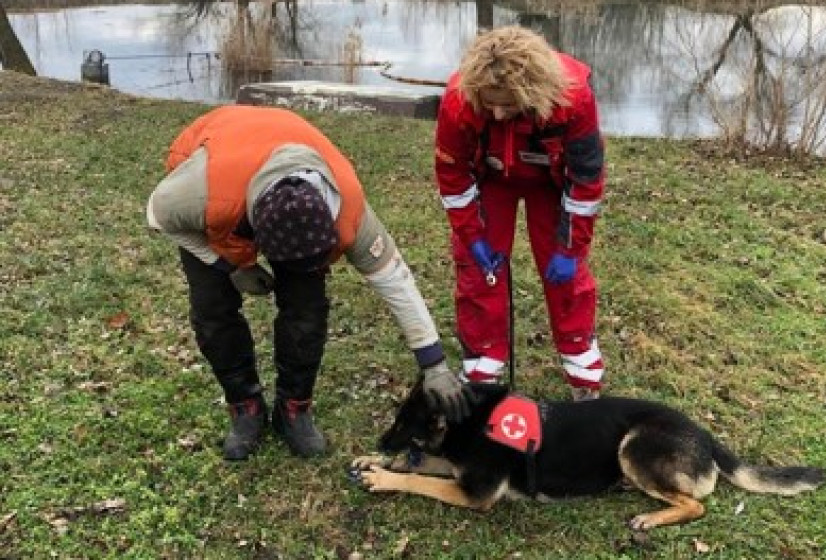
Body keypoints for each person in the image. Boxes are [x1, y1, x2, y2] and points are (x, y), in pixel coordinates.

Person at [147, 105, 470, 460]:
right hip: (218, 162)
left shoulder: (350, 212)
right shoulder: (197, 194)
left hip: (276, 170)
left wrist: (434, 366)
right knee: (212, 310)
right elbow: (158, 216)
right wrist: (227, 265)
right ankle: (245, 407)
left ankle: (293, 410)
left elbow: (396, 283)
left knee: (307, 308)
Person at [434, 26, 606, 400]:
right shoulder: (458, 100)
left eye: (508, 105)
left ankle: (583, 376)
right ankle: (482, 371)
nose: (497, 112)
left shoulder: (573, 100)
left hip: (551, 183)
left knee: (565, 276)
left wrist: (570, 249)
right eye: (489, 102)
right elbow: (453, 175)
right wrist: (472, 237)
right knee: (480, 271)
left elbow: (586, 182)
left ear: (533, 94)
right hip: (493, 179)